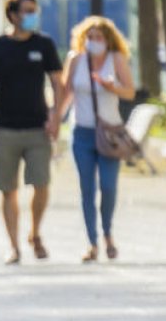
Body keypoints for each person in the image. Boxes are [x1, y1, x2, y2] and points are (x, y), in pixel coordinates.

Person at [0, 0, 64, 265]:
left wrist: (56, 115)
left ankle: (35, 233)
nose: (32, 16)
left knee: (41, 183)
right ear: (12, 14)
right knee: (8, 188)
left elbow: (58, 83)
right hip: (5, 127)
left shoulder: (44, 44)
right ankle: (14, 245)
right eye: (26, 10)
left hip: (38, 127)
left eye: (34, 10)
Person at [57, 16, 135, 263]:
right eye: (89, 37)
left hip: (110, 133)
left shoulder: (116, 60)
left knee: (109, 187)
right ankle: (92, 243)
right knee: (86, 189)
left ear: (108, 40)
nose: (94, 42)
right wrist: (54, 120)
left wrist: (113, 88)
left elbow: (130, 91)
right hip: (81, 132)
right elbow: (66, 94)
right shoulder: (76, 60)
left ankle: (108, 233)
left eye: (99, 37)